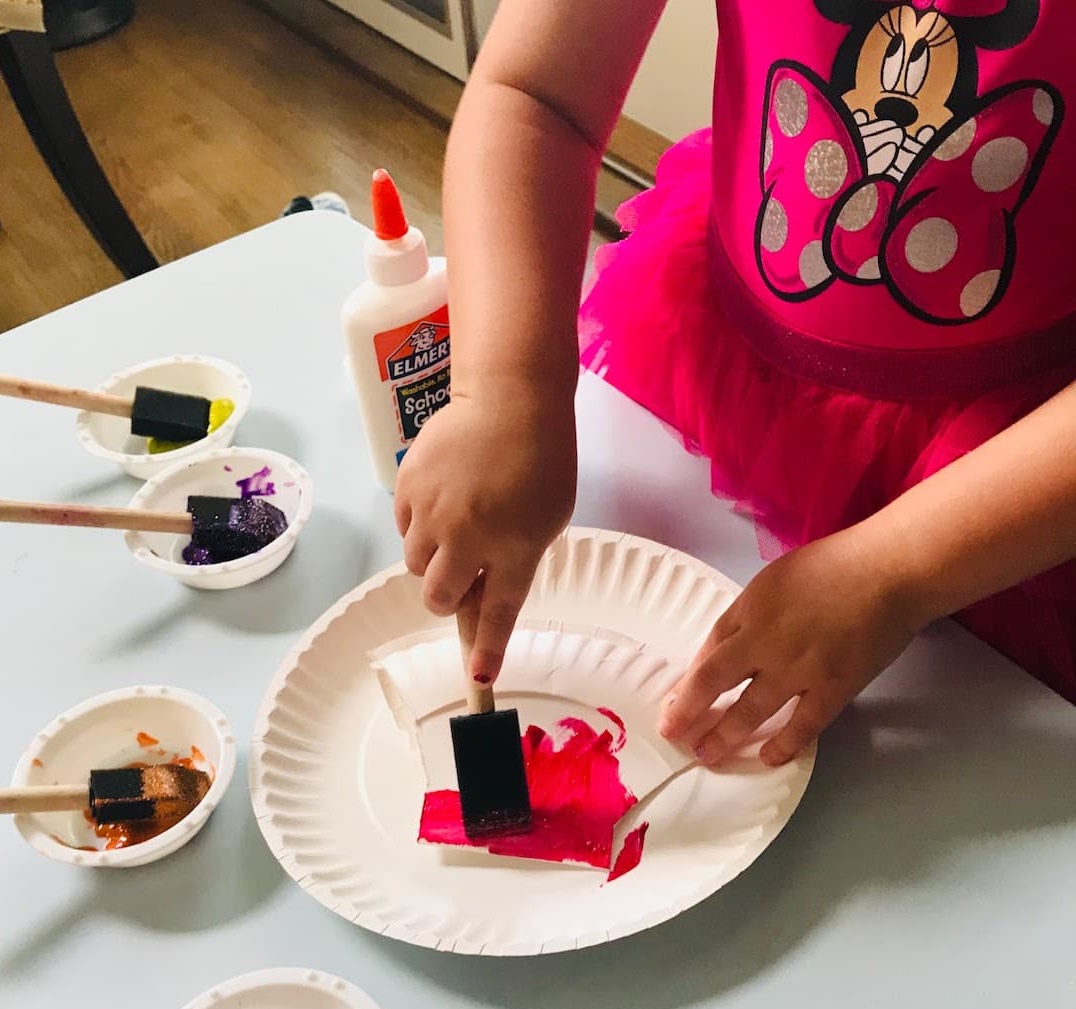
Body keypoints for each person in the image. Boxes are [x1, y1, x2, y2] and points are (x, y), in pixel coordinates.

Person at [393, 0, 1076, 768]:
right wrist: (507, 389)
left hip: (1016, 495)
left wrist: (898, 569)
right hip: (730, 392)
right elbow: (536, 98)